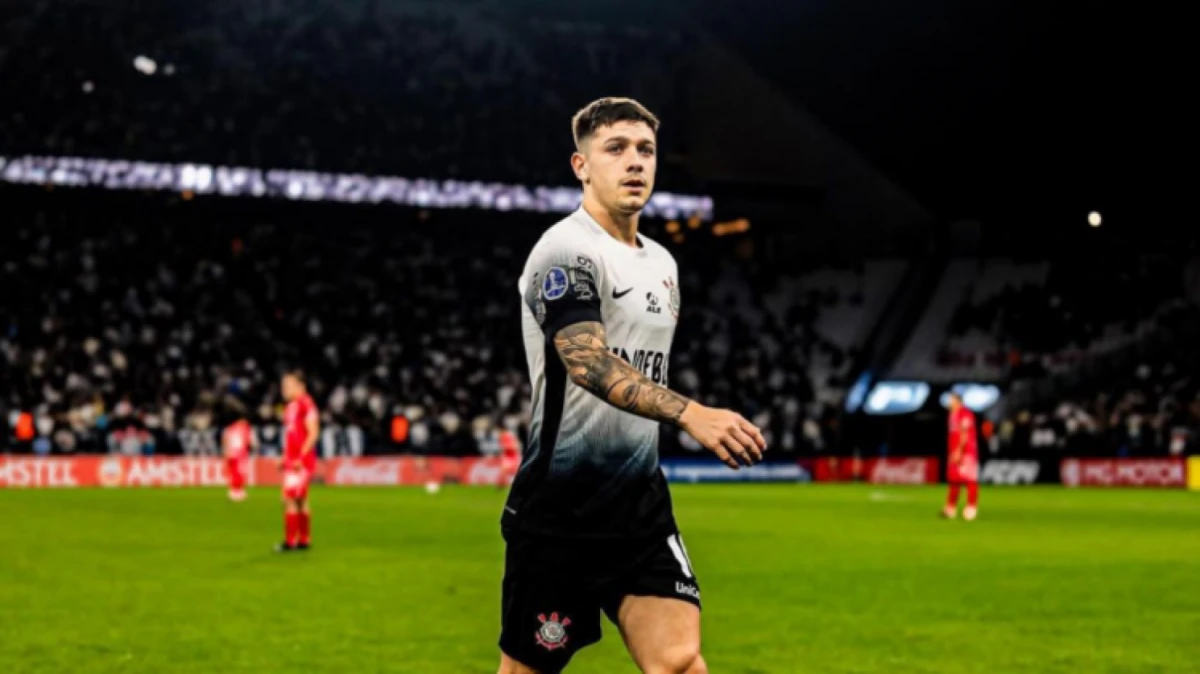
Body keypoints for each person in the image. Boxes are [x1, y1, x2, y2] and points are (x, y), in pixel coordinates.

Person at [498, 97, 766, 674]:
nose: (635, 162)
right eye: (615, 149)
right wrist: (692, 413)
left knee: (676, 660)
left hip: (639, 504)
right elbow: (586, 361)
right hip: (561, 509)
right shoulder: (564, 249)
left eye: (645, 149)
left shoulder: (662, 264)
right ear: (581, 166)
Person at [277, 370, 319, 551]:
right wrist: (284, 456)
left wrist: (301, 457)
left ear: (301, 386)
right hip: (292, 459)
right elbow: (292, 436)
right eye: (283, 385)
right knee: (300, 499)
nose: (284, 389)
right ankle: (304, 540)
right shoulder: (291, 407)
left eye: (288, 385)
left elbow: (313, 433)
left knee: (288, 498)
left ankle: (290, 542)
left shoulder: (306, 405)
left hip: (300, 461)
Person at [943, 392, 979, 521]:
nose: (949, 403)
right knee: (954, 480)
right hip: (954, 452)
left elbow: (965, 434)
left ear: (958, 401)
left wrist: (959, 450)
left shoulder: (965, 413)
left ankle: (971, 508)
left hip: (967, 453)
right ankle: (950, 508)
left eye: (951, 400)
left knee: (969, 479)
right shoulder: (953, 414)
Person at [222, 400, 257, 502]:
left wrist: (225, 452)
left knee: (233, 473)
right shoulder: (245, 428)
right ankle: (237, 492)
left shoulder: (230, 428)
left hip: (230, 453)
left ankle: (234, 491)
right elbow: (251, 441)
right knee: (239, 473)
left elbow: (225, 439)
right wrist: (253, 447)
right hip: (240, 454)